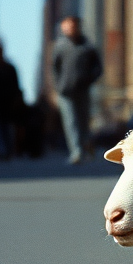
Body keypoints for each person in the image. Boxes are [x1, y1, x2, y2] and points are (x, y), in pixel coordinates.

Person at [52, 15, 102, 164]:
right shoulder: (59, 46)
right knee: (70, 122)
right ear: (62, 27)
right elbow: (54, 68)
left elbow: (98, 68)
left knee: (83, 121)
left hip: (83, 90)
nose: (70, 28)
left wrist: (89, 79)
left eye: (73, 25)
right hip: (65, 92)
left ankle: (86, 147)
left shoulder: (87, 45)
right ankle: (76, 152)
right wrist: (58, 86)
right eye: (67, 25)